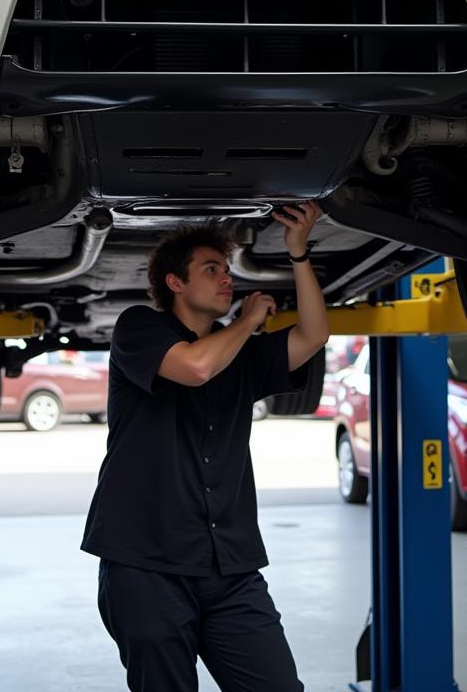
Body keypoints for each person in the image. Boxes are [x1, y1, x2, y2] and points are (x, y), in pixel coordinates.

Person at [82, 201, 330, 692]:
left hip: (230, 568)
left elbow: (314, 334)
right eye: (211, 269)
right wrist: (248, 322)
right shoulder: (139, 329)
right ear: (175, 283)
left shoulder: (240, 354)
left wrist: (298, 255)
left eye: (228, 270)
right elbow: (195, 368)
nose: (226, 279)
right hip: (147, 565)